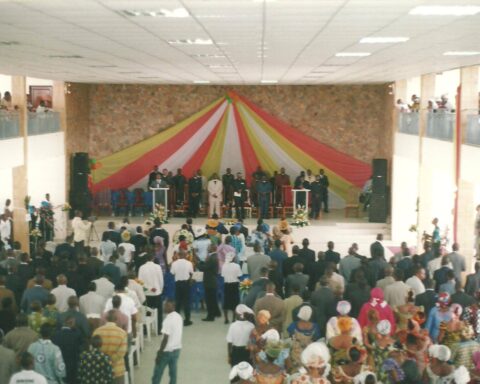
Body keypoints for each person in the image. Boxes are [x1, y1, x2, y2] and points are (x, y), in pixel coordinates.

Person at [151, 300, 183, 384]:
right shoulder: (179, 316)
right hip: (177, 349)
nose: (165, 307)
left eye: (167, 306)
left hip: (166, 351)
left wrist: (159, 353)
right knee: (173, 374)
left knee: (157, 374)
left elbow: (165, 339)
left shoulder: (167, 320)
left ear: (173, 307)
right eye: (165, 305)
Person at [93, 310, 128, 384]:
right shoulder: (122, 333)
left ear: (106, 318)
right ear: (116, 320)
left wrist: (104, 360)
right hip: (117, 370)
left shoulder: (97, 331)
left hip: (100, 369)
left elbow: (94, 350)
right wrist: (109, 360)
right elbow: (121, 353)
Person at [287, 305, 321, 371]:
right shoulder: (315, 326)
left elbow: (291, 337)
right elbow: (316, 339)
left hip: (296, 353)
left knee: (296, 370)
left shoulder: (293, 325)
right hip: (309, 352)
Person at [138, 253, 164, 332]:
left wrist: (148, 289)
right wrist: (160, 289)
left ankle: (146, 330)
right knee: (158, 312)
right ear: (153, 258)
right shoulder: (158, 267)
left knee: (146, 312)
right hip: (156, 292)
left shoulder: (142, 267)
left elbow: (140, 282)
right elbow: (161, 280)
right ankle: (159, 329)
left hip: (146, 294)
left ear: (146, 259)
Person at [170, 250, 194, 326]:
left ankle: (177, 320)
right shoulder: (189, 263)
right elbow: (191, 272)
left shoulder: (174, 263)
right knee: (186, 302)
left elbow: (172, 273)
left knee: (178, 302)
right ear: (186, 255)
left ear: (178, 255)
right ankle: (187, 320)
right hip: (186, 284)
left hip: (178, 284)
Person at [222, 252, 243, 324]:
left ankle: (226, 319)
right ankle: (234, 318)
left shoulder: (224, 266)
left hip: (226, 285)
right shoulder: (237, 266)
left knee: (226, 302)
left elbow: (223, 276)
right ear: (233, 258)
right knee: (235, 302)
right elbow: (239, 276)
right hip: (234, 285)